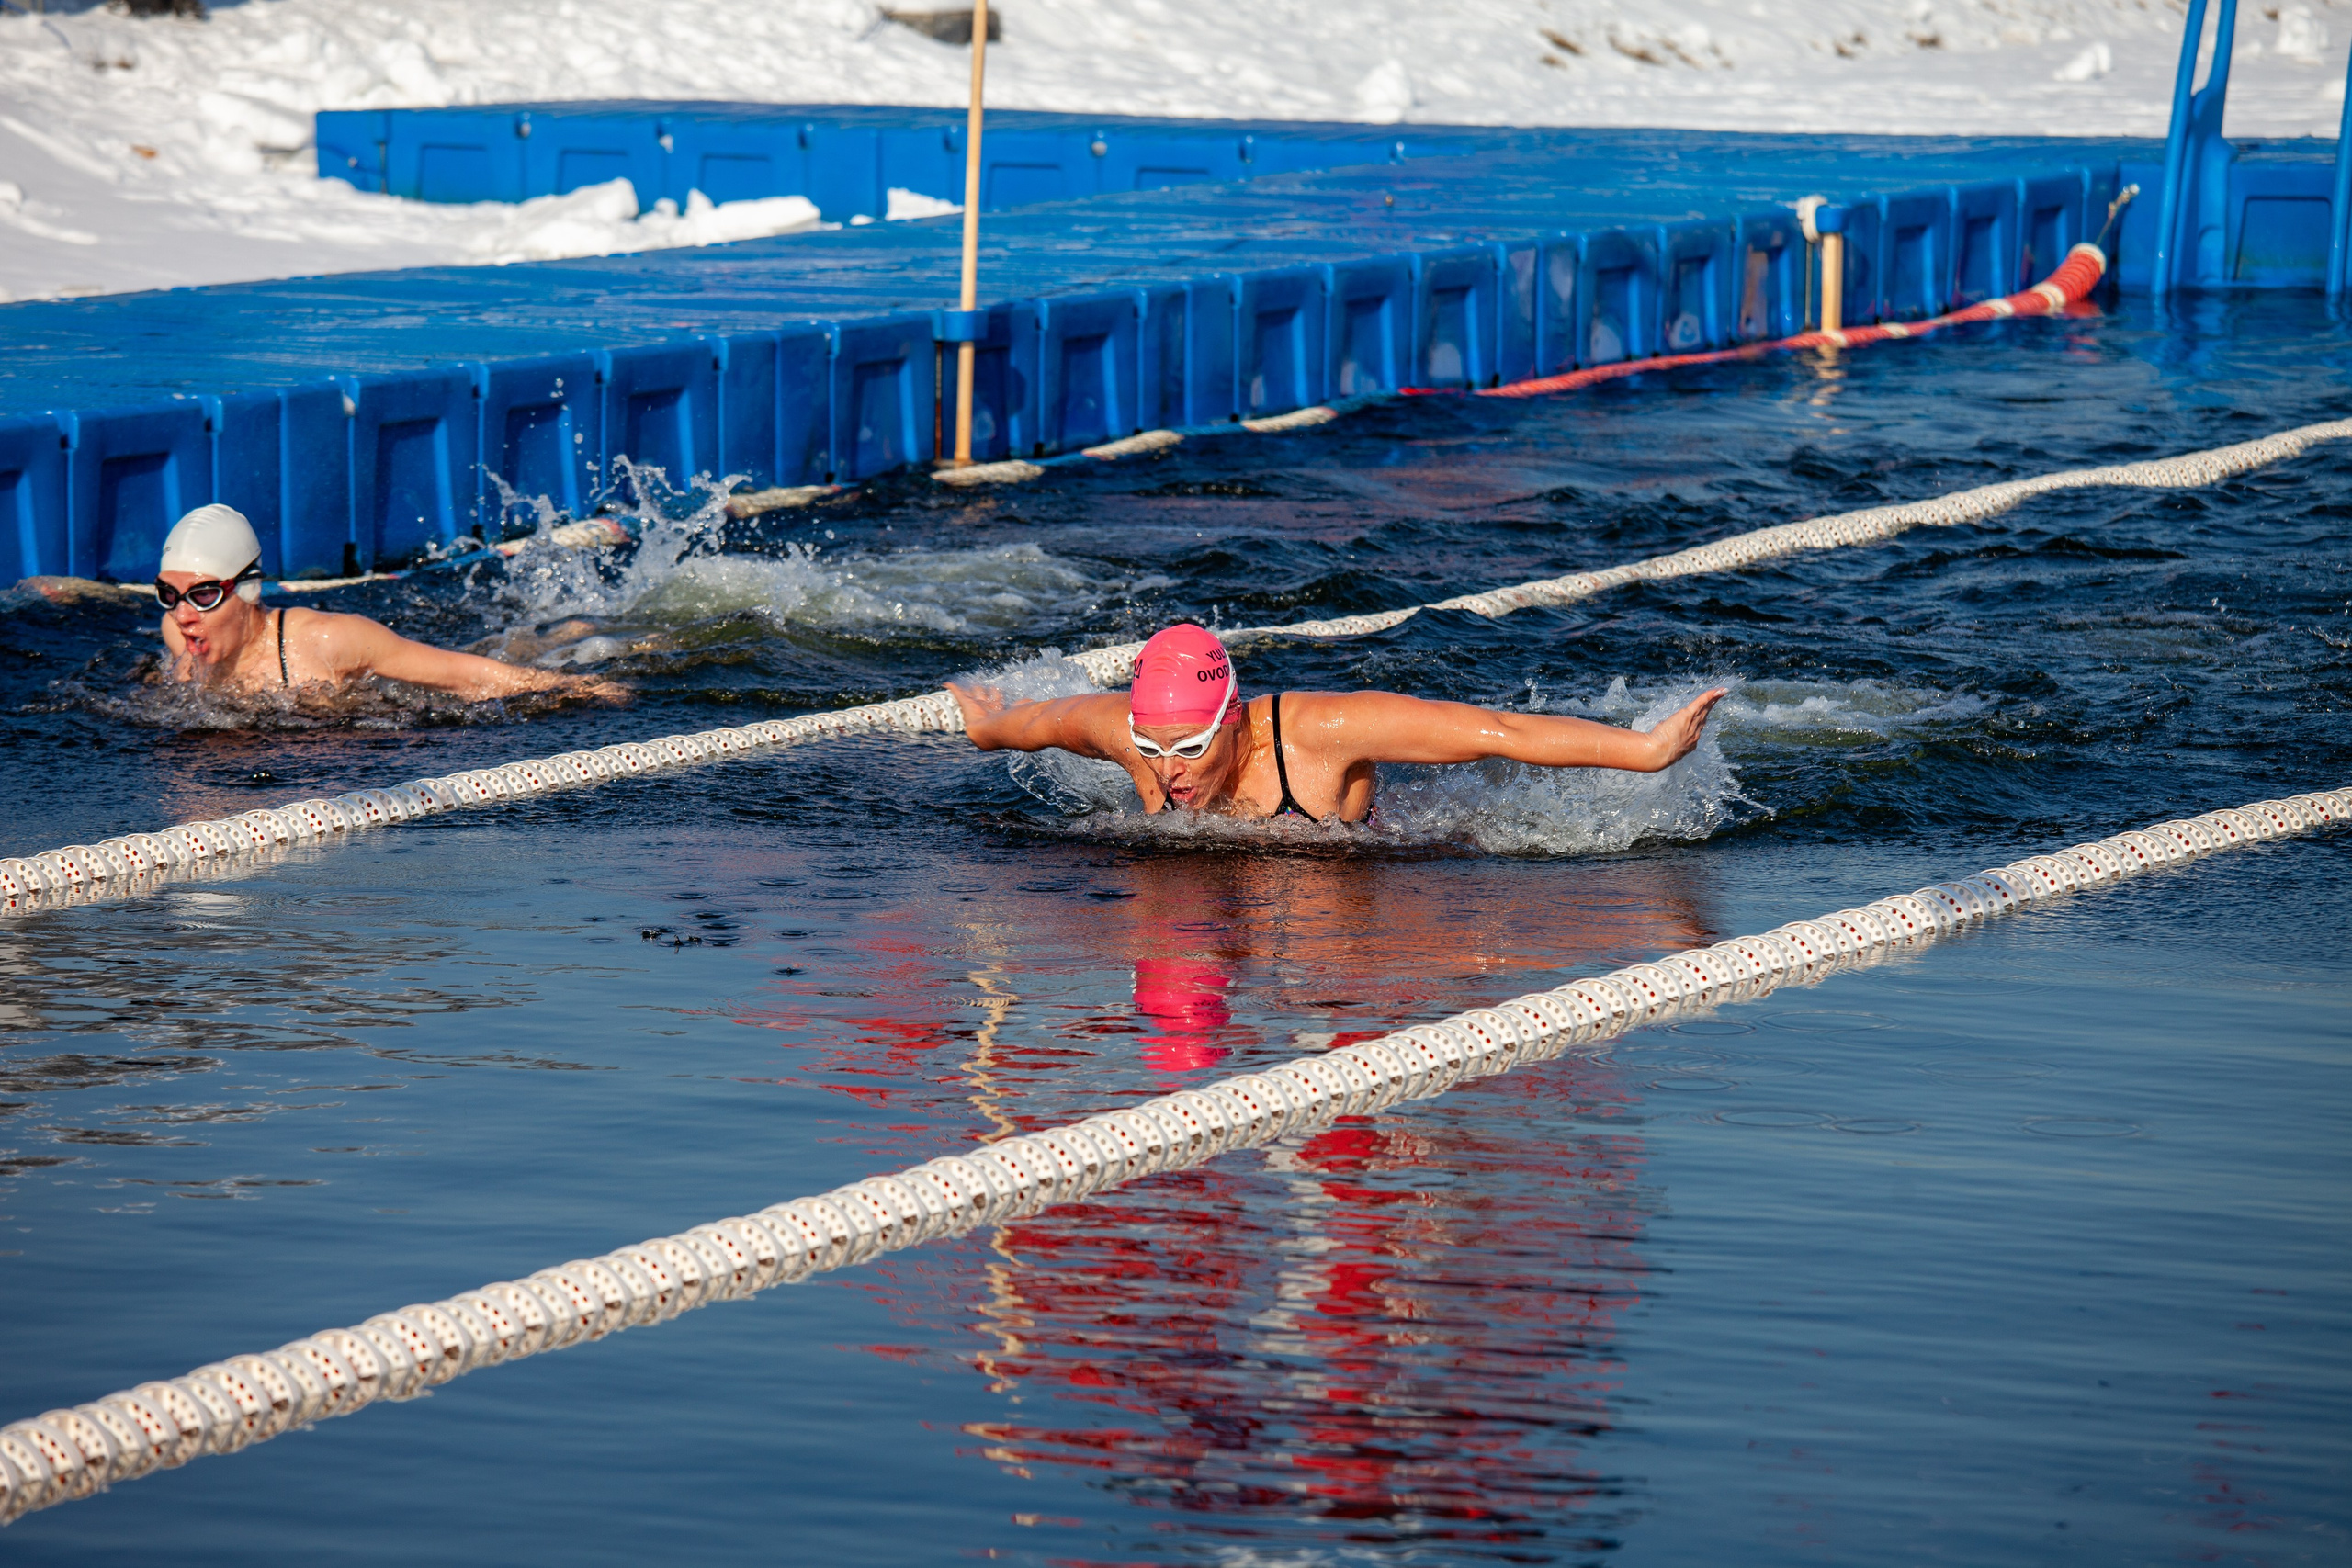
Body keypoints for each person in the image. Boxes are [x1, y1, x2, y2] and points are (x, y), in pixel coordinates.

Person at [949, 622, 1725, 823]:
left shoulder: (1319, 735)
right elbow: (1043, 720)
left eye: (1189, 747)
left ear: (1234, 721)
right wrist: (985, 723)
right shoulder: (1136, 735)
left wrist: (1649, 751)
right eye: (1151, 749)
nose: (1167, 770)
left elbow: (1497, 732)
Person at [153, 505, 619, 701]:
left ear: (250, 589)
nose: (183, 614)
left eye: (205, 595)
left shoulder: (328, 641)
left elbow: (462, 675)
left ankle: (582, 634)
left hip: (409, 693)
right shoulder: (181, 634)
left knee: (495, 657)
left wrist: (577, 688)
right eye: (170, 595)